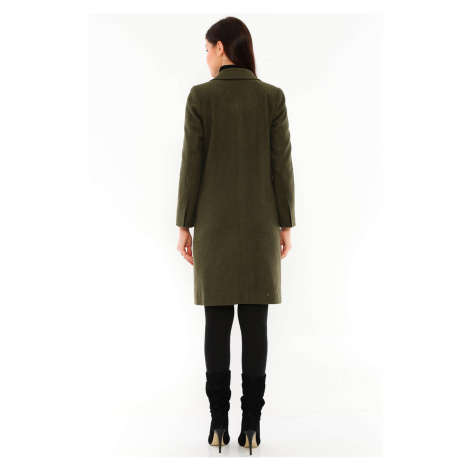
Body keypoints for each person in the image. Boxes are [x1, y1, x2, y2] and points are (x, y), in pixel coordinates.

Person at [176, 16, 296, 455]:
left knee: (216, 322)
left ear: (221, 48)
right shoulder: (272, 97)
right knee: (255, 323)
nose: (207, 57)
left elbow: (191, 166)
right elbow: (281, 166)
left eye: (207, 49)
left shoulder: (201, 97)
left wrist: (184, 224)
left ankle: (217, 425)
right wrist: (285, 224)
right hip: (261, 228)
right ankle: (252, 427)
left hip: (213, 227)